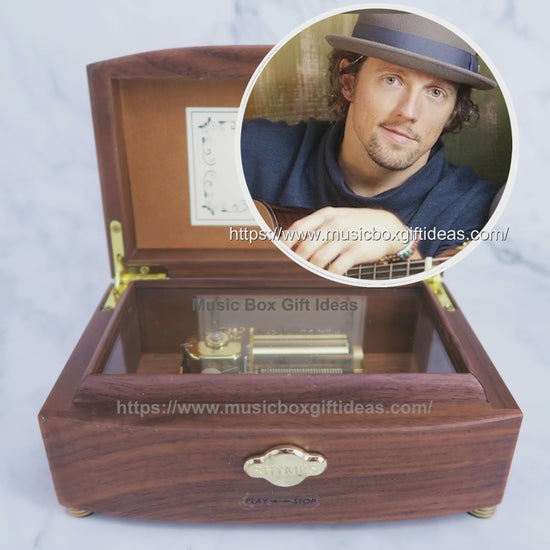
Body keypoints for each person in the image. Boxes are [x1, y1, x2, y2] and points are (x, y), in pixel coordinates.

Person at [241, 11, 500, 276]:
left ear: (453, 110)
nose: (409, 111)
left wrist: (403, 246)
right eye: (392, 80)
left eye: (436, 92)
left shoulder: (475, 212)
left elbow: (449, 297)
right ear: (349, 82)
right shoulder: (248, 150)